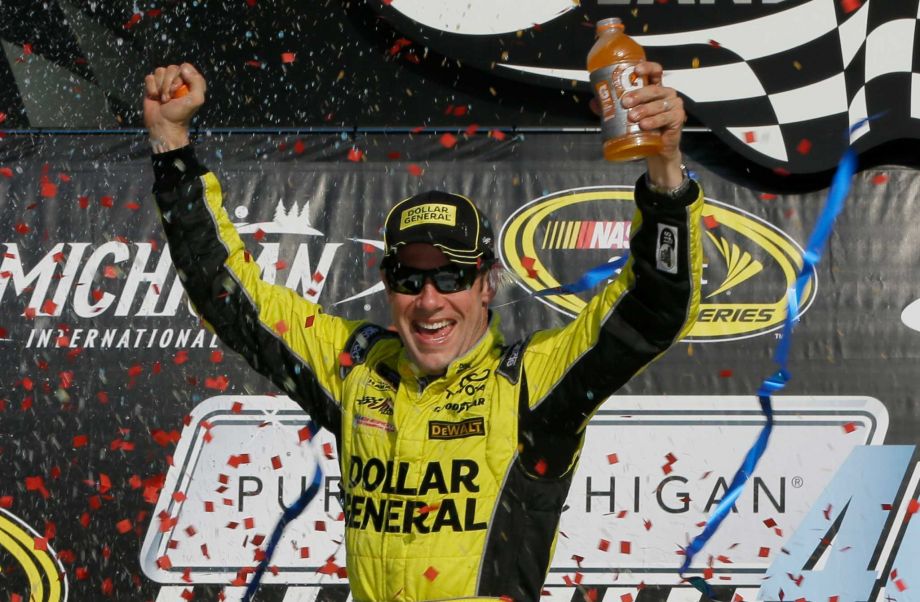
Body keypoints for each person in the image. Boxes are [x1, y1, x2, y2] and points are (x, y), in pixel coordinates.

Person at [145, 62, 703, 602]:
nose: (429, 299)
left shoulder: (531, 382)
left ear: (486, 284)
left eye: (452, 275)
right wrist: (171, 145)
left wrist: (665, 174)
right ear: (388, 286)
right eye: (410, 277)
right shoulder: (355, 369)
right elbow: (230, 298)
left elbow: (653, 308)